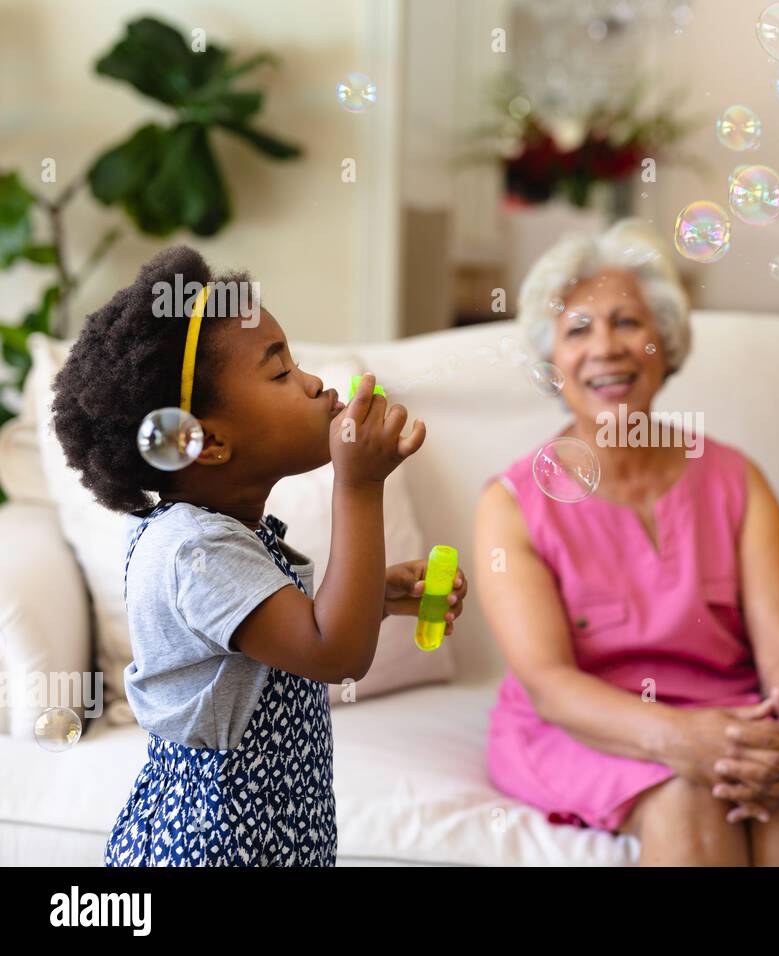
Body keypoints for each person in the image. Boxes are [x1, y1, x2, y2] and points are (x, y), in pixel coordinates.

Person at [51, 246, 468, 866]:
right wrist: (359, 484)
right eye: (280, 373)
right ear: (210, 441)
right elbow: (334, 653)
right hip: (212, 847)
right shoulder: (196, 550)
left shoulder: (225, 535)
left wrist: (374, 597)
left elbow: (292, 638)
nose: (313, 383)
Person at [477, 220, 779, 865]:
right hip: (585, 726)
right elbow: (550, 684)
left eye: (628, 323)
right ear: (551, 363)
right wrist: (683, 740)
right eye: (577, 330)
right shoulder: (511, 504)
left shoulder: (735, 478)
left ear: (665, 344)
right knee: (685, 796)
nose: (606, 348)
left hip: (730, 714)